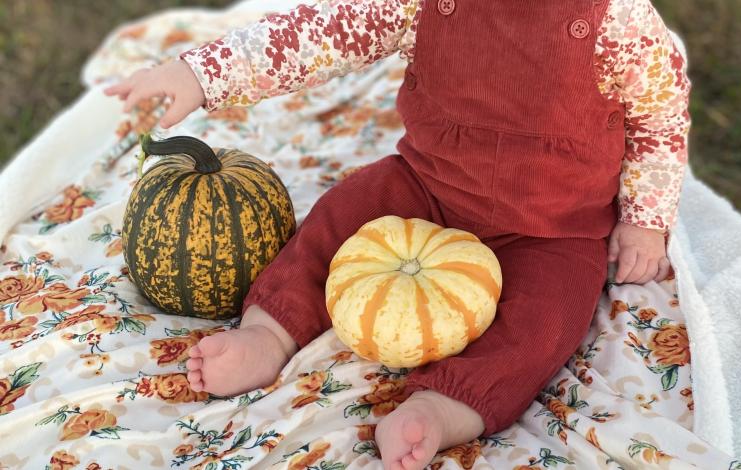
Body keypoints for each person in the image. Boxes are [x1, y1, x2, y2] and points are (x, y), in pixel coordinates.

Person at [105, 0, 690, 468]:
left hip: (552, 225)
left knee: (550, 319)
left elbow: (660, 115)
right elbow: (318, 32)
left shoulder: (618, 20)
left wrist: (645, 216)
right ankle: (270, 330)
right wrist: (201, 73)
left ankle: (445, 406)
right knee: (338, 217)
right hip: (428, 185)